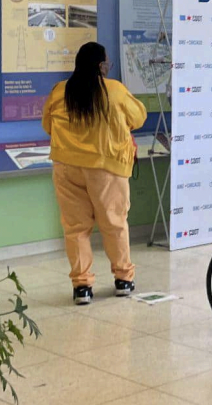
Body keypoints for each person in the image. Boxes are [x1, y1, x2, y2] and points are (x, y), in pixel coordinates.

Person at [42, 42, 148, 306]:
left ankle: (82, 287)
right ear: (101, 65)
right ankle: (123, 279)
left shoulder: (60, 91)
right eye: (107, 62)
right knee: (113, 224)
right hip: (106, 167)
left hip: (66, 166)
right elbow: (139, 117)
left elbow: (47, 125)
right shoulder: (114, 90)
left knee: (75, 228)